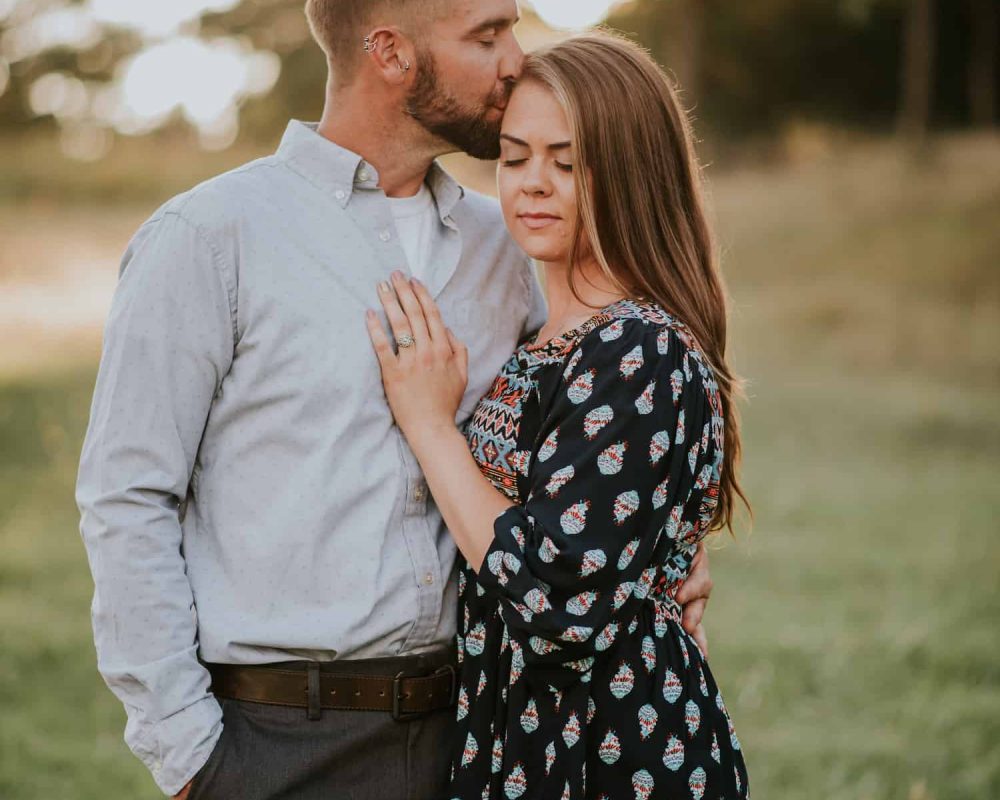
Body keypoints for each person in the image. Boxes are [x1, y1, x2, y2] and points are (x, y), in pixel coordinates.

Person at [76, 3, 715, 799]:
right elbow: (126, 497)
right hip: (275, 742)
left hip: (482, 733)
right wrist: (190, 758)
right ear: (391, 53)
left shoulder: (510, 245)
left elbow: (586, 439)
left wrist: (663, 552)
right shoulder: (210, 238)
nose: (515, 59)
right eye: (487, 35)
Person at [368, 32, 749, 800]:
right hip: (518, 740)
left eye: (568, 162)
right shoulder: (549, 338)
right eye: (515, 157)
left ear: (633, 171)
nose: (533, 184)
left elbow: (555, 606)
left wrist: (431, 425)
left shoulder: (640, 346)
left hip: (615, 756)